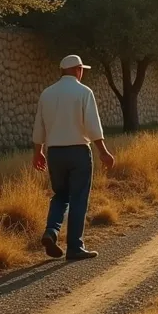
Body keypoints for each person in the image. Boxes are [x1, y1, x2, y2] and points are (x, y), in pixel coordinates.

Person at [32, 54, 115, 260]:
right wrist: (103, 151)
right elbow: (93, 126)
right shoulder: (84, 92)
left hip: (55, 153)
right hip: (78, 152)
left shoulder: (47, 94)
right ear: (77, 70)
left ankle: (51, 231)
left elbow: (39, 126)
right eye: (82, 70)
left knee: (60, 195)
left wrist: (38, 152)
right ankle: (75, 247)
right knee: (78, 198)